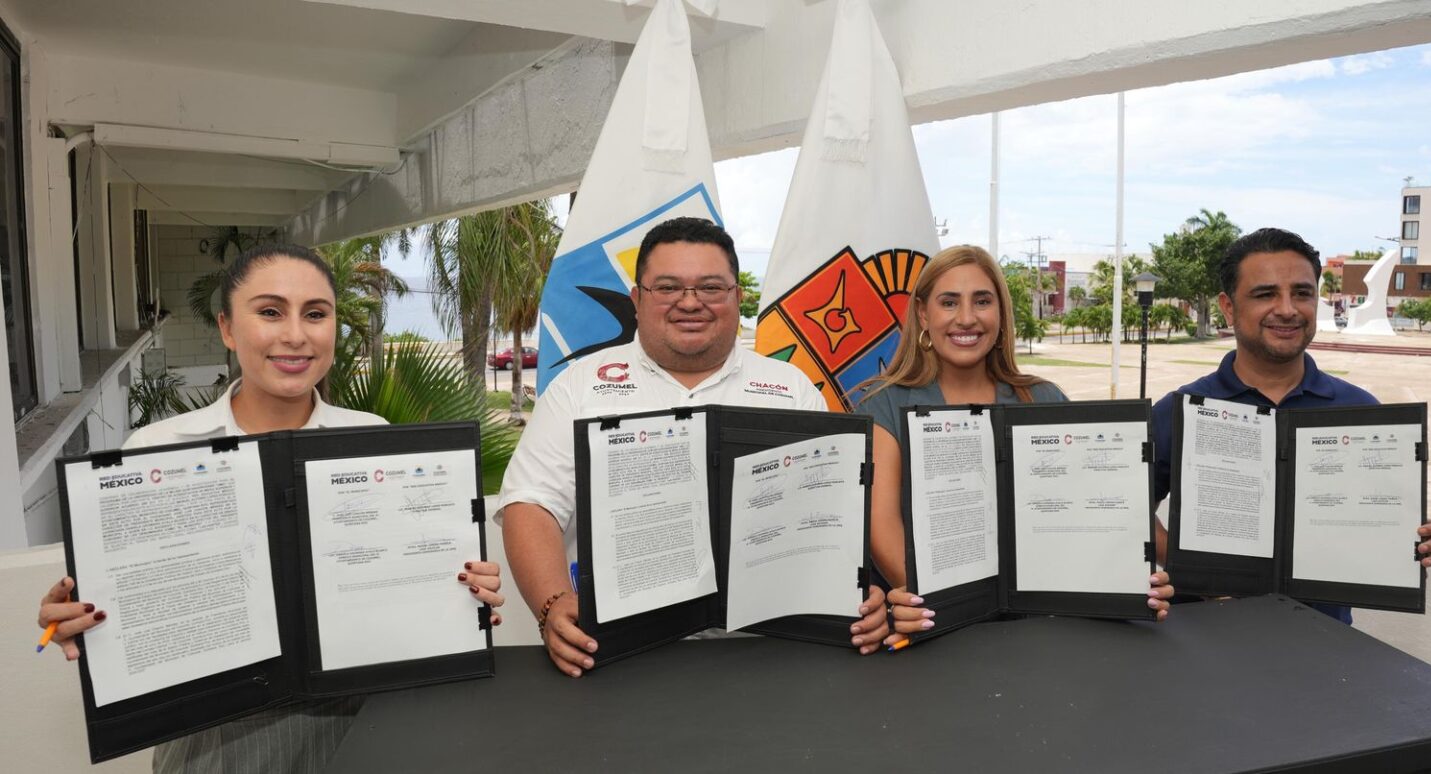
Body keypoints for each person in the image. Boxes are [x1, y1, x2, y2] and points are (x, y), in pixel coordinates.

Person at [35, 244, 505, 773]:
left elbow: (404, 581)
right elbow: (138, 595)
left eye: (316, 314)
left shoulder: (372, 438)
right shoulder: (156, 449)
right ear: (228, 328)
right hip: (215, 739)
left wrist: (459, 591)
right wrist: (83, 617)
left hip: (362, 722)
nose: (296, 335)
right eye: (270, 312)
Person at [498, 217, 891, 677]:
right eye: (667, 287)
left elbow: (831, 516)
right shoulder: (578, 387)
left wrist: (854, 594)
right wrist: (552, 604)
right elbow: (531, 504)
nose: (690, 302)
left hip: (771, 649)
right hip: (619, 652)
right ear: (637, 300)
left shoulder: (791, 389)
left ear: (736, 298)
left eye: (711, 288)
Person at [854, 245, 1174, 649]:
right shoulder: (883, 404)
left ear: (1001, 313)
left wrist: (1128, 577)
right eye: (949, 302)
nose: (966, 317)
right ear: (922, 314)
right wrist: (942, 599)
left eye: (982, 301)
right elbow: (882, 526)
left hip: (1045, 634)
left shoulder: (1043, 399)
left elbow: (1099, 506)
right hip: (937, 632)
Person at [1150, 227, 1431, 623]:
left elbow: (1379, 515)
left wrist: (1411, 540)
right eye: (1265, 294)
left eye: (1302, 293)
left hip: (1323, 641)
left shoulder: (1359, 410)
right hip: (1206, 635)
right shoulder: (1181, 409)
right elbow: (1129, 506)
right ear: (1228, 307)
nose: (1287, 309)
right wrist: (1191, 565)